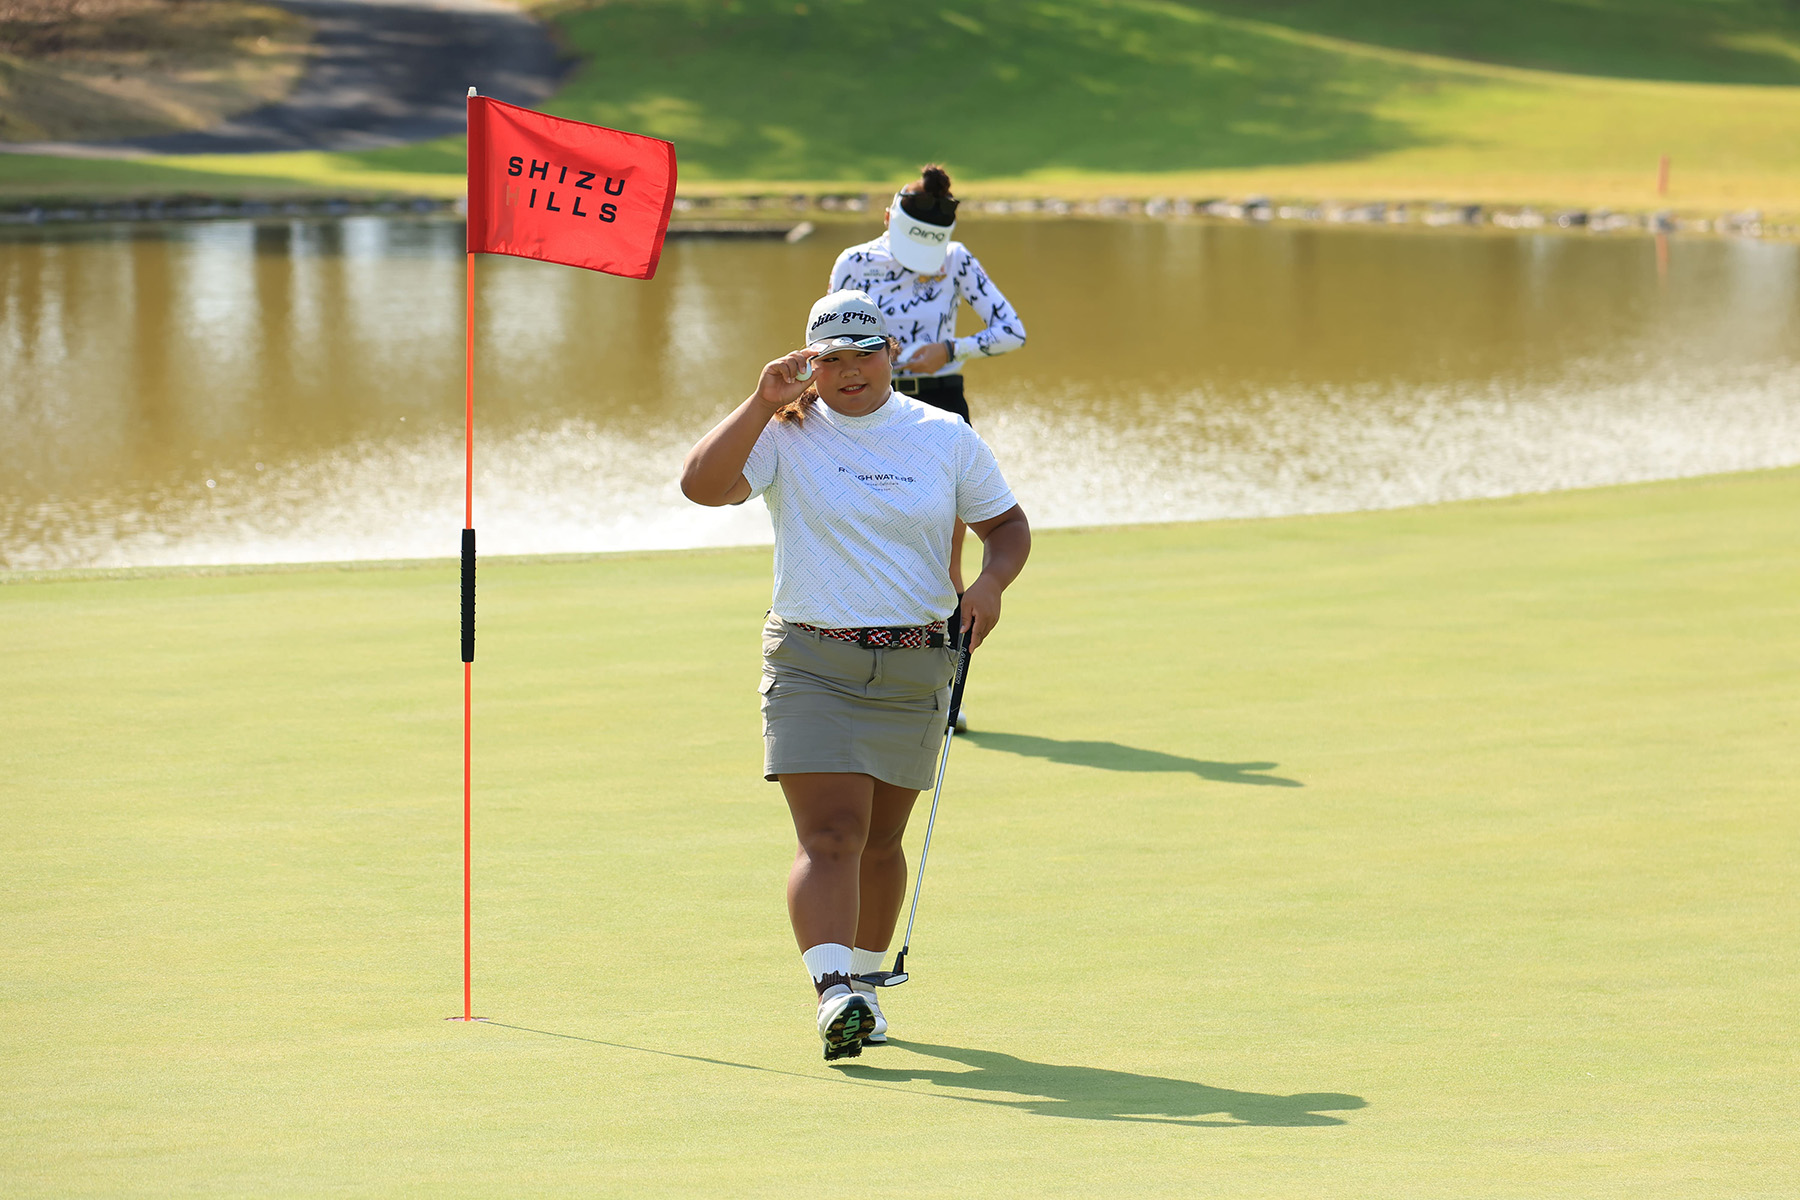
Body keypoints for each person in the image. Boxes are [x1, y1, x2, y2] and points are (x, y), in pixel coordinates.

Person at [679, 289, 1031, 1060]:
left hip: (916, 663)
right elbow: (700, 486)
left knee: (880, 842)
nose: (849, 371)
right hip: (812, 660)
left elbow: (1005, 525)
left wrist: (991, 584)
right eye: (830, 358)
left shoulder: (943, 436)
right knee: (832, 833)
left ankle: (864, 990)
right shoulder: (783, 432)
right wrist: (760, 401)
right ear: (809, 362)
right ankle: (833, 992)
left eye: (864, 354)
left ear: (891, 353)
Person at [828, 164, 1027, 596]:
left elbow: (1012, 331)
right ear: (888, 219)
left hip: (941, 401)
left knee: (945, 549)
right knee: (871, 520)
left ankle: (947, 627)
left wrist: (950, 350)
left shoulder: (956, 259)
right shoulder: (854, 263)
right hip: (870, 403)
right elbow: (829, 342)